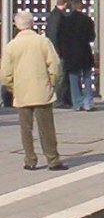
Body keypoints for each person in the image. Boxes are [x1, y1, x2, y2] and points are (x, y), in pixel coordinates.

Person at [0, 10, 68, 171]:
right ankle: (53, 160)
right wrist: (52, 82)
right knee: (47, 128)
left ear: (17, 26)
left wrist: (12, 86)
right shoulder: (43, 42)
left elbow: (5, 73)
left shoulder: (11, 46)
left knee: (26, 128)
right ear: (32, 23)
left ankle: (30, 160)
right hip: (42, 90)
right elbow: (55, 65)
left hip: (21, 91)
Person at [59, 0, 96, 112]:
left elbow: (62, 37)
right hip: (84, 52)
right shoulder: (87, 20)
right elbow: (91, 37)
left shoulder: (66, 20)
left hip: (71, 54)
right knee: (87, 77)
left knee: (74, 78)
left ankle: (77, 103)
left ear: (72, 7)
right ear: (82, 7)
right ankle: (88, 103)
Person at [45, 0, 72, 108]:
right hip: (59, 51)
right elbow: (54, 34)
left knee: (61, 75)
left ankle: (63, 99)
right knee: (61, 75)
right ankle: (59, 100)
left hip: (57, 50)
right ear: (65, 4)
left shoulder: (54, 15)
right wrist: (57, 51)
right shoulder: (58, 16)